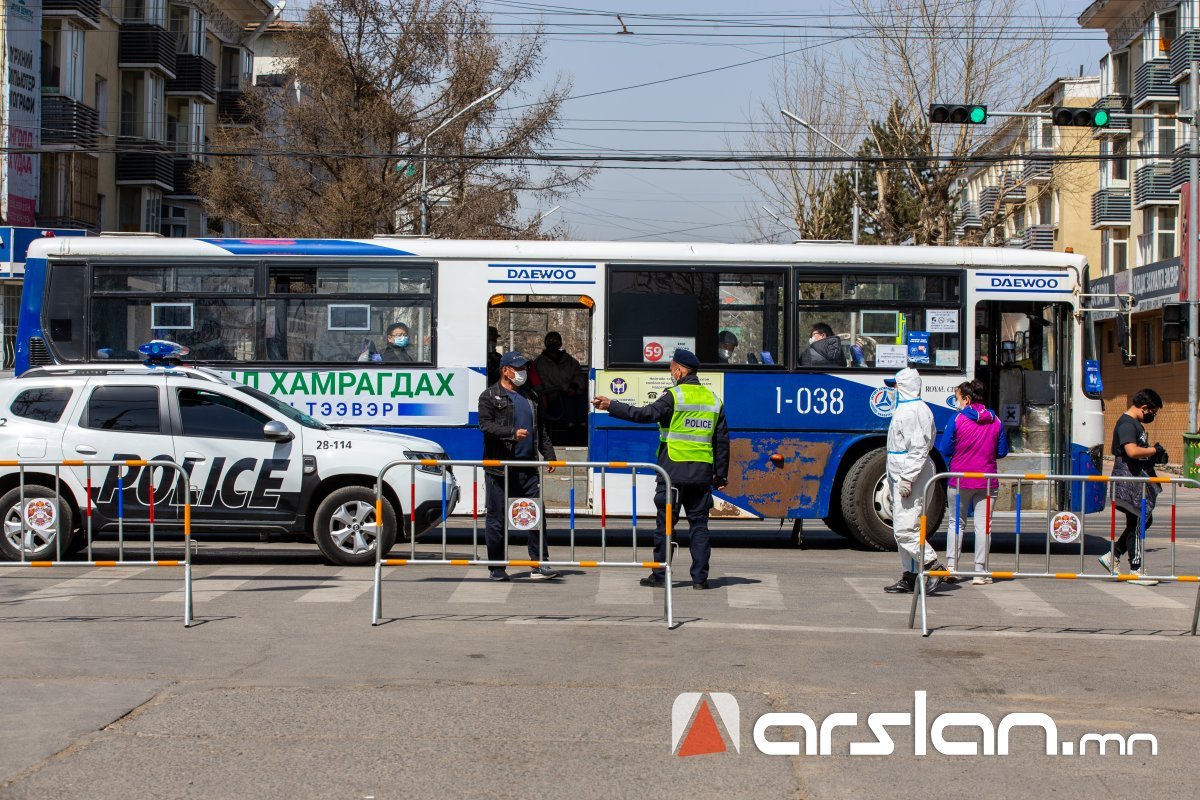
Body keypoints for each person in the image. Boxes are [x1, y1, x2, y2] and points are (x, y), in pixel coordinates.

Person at [592, 349, 729, 589]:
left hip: (672, 473)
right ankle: (700, 579)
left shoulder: (674, 396)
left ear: (680, 370)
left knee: (666, 526)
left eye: (671, 370)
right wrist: (721, 474)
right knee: (699, 526)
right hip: (701, 475)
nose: (670, 375)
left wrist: (611, 405)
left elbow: (644, 414)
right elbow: (722, 441)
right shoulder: (713, 399)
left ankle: (660, 575)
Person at [477, 351, 561, 581]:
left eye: (524, 368)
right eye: (518, 368)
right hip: (499, 469)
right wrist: (511, 434)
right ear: (506, 370)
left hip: (528, 469)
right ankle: (497, 568)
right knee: (497, 519)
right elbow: (485, 426)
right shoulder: (489, 396)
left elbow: (541, 429)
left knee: (535, 516)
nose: (523, 372)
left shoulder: (530, 396)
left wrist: (549, 455)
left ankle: (539, 564)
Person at [937, 379, 1009, 585]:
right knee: (983, 526)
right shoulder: (996, 420)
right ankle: (980, 571)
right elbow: (1002, 451)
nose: (956, 402)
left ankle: (952, 567)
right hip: (987, 481)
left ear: (967, 399)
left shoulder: (957, 419)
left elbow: (946, 448)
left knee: (956, 523)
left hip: (959, 480)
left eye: (958, 398)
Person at [882, 367, 946, 594]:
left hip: (911, 474)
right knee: (904, 527)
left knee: (905, 530)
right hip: (904, 472)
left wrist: (907, 479)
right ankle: (909, 576)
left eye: (895, 386)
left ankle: (932, 566)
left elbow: (917, 449)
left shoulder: (911, 412)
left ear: (905, 387)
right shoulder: (912, 409)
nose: (893, 390)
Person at [1104, 388, 1167, 578]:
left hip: (1135, 480)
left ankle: (1113, 554)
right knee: (1139, 520)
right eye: (1152, 412)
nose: (1152, 416)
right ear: (1144, 407)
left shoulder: (1135, 424)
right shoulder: (1127, 424)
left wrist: (1154, 456)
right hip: (1129, 482)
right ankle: (1136, 568)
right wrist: (1153, 451)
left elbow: (1138, 453)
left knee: (1141, 521)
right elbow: (1131, 451)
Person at [534, 331, 586, 429]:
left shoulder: (570, 360)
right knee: (567, 401)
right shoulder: (539, 362)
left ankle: (583, 428)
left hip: (573, 392)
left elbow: (579, 375)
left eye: (555, 340)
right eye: (549, 340)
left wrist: (573, 387)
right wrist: (562, 389)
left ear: (560, 343)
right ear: (545, 343)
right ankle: (571, 427)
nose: (552, 342)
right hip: (553, 396)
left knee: (582, 399)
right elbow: (542, 382)